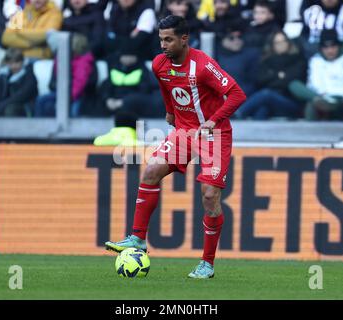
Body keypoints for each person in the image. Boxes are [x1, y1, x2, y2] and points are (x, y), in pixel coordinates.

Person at [105, 15, 246, 279]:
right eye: (161, 39)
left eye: (169, 39)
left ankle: (207, 264)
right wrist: (170, 112)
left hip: (214, 135)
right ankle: (138, 239)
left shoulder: (203, 66)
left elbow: (237, 94)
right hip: (184, 132)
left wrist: (213, 121)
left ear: (184, 39)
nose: (163, 45)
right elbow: (166, 88)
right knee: (150, 171)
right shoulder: (159, 64)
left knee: (209, 196)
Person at [237, 30, 307, 119]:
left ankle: (238, 113)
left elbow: (292, 80)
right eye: (277, 42)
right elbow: (260, 80)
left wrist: (272, 76)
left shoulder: (297, 59)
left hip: (291, 102)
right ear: (272, 45)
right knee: (262, 109)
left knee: (267, 94)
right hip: (271, 101)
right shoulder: (266, 61)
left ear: (288, 42)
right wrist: (279, 75)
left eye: (283, 41)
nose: (281, 44)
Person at [290, 29, 343, 120]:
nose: (330, 51)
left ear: (338, 46)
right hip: (320, 96)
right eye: (326, 48)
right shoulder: (316, 60)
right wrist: (321, 95)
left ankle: (323, 103)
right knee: (294, 85)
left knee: (311, 105)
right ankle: (320, 101)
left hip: (341, 98)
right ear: (321, 48)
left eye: (333, 47)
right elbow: (314, 82)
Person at [0, 48, 38, 117]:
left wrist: (1, 106)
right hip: (4, 104)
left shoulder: (29, 75)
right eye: (10, 63)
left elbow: (21, 96)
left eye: (17, 62)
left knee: (10, 110)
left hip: (24, 106)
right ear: (6, 63)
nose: (14, 66)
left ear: (22, 62)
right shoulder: (3, 75)